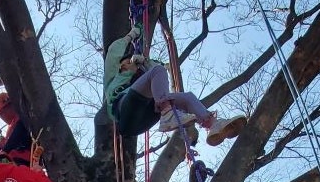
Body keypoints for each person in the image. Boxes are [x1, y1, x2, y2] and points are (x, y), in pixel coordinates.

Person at [103, 26, 245, 143]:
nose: (130, 64)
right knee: (157, 72)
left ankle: (212, 125)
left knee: (188, 97)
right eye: (127, 63)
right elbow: (113, 53)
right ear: (120, 66)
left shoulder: (141, 82)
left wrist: (145, 61)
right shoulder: (115, 78)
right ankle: (167, 114)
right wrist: (131, 35)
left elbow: (158, 73)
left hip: (141, 120)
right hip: (124, 112)